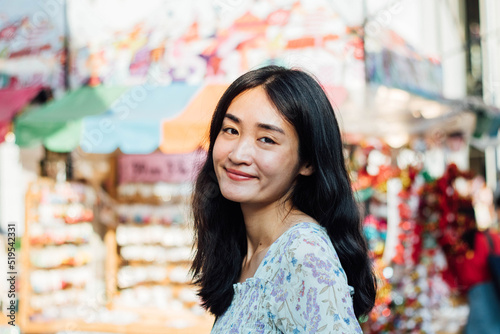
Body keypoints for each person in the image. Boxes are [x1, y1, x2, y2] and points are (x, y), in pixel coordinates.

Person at [190, 65, 377, 333]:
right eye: (231, 130)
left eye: (266, 139)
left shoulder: (303, 253)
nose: (238, 154)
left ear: (308, 161)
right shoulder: (248, 251)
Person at [457, 227, 500, 333]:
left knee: (486, 324)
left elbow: (471, 273)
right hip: (492, 284)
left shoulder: (478, 239)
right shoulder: (490, 236)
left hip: (482, 288)